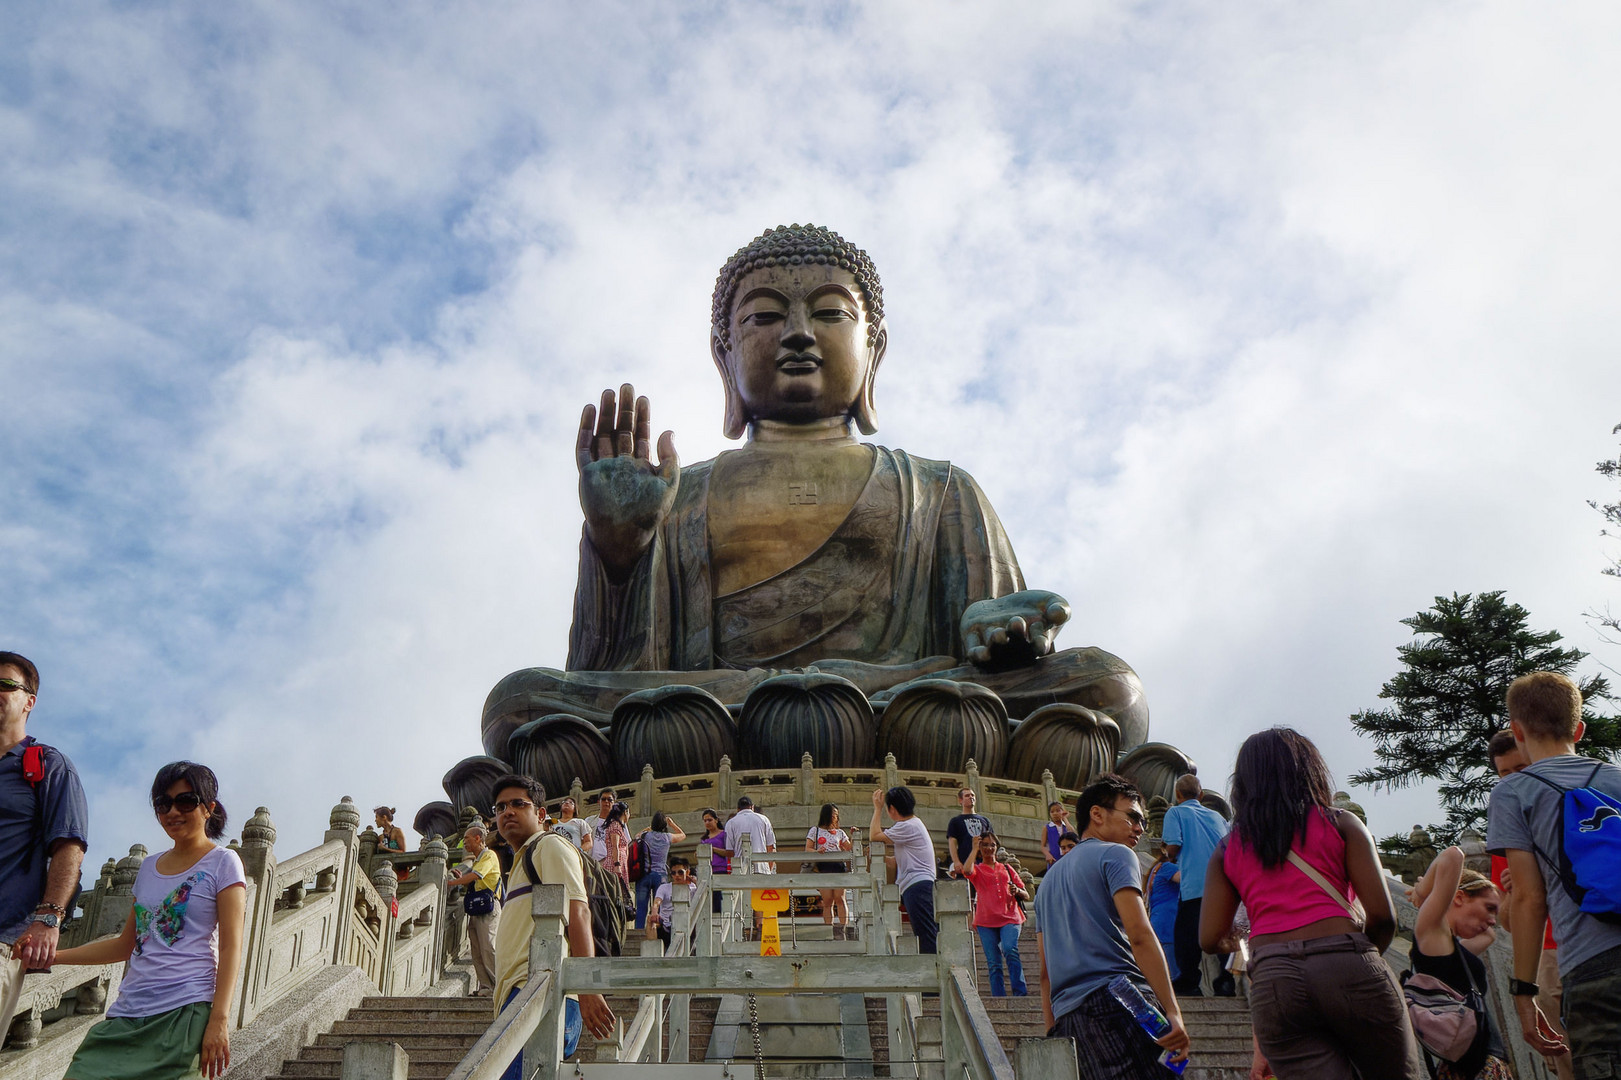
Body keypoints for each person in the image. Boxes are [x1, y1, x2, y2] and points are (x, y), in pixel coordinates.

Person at [1199, 727, 1425, 1080]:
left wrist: (1251, 938)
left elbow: (1210, 938)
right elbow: (1382, 916)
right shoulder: (1342, 823)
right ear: (1310, 770)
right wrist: (1356, 959)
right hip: (1348, 962)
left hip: (1275, 982)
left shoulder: (1227, 848)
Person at [57, 762, 245, 1080]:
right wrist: (53, 956)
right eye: (163, 804)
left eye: (185, 801)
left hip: (185, 1015)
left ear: (209, 807)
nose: (173, 811)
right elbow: (125, 945)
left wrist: (219, 1019)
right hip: (126, 1015)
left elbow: (231, 948)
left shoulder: (223, 862)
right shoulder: (148, 867)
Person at [1486, 671, 1621, 1077]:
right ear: (1578, 728)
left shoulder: (1512, 793)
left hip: (1592, 965)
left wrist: (1524, 993)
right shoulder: (1616, 778)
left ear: (1517, 731)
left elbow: (1529, 898)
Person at [1034, 773, 1188, 1077]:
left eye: (1143, 822)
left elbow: (1044, 972)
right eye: (1132, 817)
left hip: (1069, 1018)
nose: (1140, 828)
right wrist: (1173, 1011)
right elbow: (1140, 935)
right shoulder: (1117, 855)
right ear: (1097, 814)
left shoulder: (1047, 883)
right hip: (1123, 1000)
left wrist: (1054, 1030)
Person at [489, 774, 614, 1073]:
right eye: (500, 807)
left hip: (541, 992)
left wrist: (586, 986)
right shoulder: (521, 860)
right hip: (520, 993)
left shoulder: (550, 846)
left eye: (518, 804)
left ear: (542, 814)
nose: (507, 812)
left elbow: (578, 910)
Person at [1, 651, 89, 1047]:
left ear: (28, 701)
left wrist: (48, 919)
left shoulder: (47, 766)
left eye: (5, 685)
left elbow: (68, 846)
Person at [1486, 727, 1572, 1080]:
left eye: (1520, 769)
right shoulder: (1509, 833)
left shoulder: (1569, 805)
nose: (1513, 781)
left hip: (1592, 945)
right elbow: (1508, 919)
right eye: (1504, 774)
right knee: (1570, 1058)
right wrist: (1510, 892)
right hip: (1548, 956)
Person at [1409, 846, 1511, 1078]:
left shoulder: (1453, 948)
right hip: (1475, 1066)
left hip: (1478, 1061)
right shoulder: (1433, 934)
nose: (1493, 920)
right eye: (1489, 908)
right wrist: (1423, 891)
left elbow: (1489, 936)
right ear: (1459, 897)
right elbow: (1453, 855)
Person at [1161, 773, 1230, 996]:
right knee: (1223, 936)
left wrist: (1168, 856)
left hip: (1195, 885)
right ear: (1201, 795)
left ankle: (1189, 981)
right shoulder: (1218, 817)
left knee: (1186, 936)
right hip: (1224, 885)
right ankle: (1226, 981)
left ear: (1177, 795)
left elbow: (1173, 845)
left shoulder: (1175, 812)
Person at [869, 786, 938, 954]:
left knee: (926, 936)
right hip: (916, 885)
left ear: (892, 809)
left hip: (918, 886)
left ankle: (932, 972)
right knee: (924, 933)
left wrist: (877, 809)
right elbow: (895, 862)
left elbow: (874, 836)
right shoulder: (913, 825)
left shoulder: (907, 826)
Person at [963, 831, 1028, 996]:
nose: (989, 848)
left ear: (997, 847)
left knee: (1009, 949)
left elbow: (1025, 894)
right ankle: (999, 997)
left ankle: (1020, 993)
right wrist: (973, 849)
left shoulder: (1006, 868)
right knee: (994, 963)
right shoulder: (978, 869)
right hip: (986, 921)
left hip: (1010, 916)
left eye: (992, 844)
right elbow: (967, 871)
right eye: (984, 844)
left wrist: (1017, 890)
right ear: (979, 847)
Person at [447, 824, 501, 996]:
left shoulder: (489, 855)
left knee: (488, 946)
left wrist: (452, 883)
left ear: (478, 838)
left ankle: (499, 986)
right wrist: (460, 876)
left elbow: (477, 876)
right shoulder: (477, 860)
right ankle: (486, 987)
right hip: (477, 907)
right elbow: (472, 877)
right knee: (477, 949)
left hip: (488, 907)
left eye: (467, 840)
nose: (464, 844)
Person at [805, 804, 853, 935]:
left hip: (838, 866)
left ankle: (843, 928)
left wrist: (854, 836)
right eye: (833, 815)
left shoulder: (840, 833)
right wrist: (817, 851)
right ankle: (828, 929)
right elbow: (807, 849)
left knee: (840, 898)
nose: (835, 818)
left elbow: (849, 848)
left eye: (836, 815)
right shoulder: (815, 831)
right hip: (823, 866)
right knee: (827, 900)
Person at [634, 811, 686, 930]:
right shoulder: (667, 837)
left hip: (645, 875)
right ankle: (658, 930)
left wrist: (647, 829)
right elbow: (682, 835)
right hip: (660, 875)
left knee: (641, 907)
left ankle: (639, 931)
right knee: (660, 906)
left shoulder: (646, 836)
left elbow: (636, 837)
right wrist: (672, 824)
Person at [1143, 844, 1181, 983]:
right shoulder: (1168, 867)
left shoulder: (1156, 868)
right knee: (1174, 970)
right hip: (1167, 919)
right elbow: (1186, 880)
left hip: (1159, 919)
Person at [646, 857, 699, 952]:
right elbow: (656, 903)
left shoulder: (693, 888)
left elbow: (704, 892)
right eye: (673, 873)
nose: (677, 876)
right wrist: (654, 913)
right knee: (650, 920)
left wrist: (694, 881)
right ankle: (652, 951)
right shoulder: (664, 887)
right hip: (666, 925)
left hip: (686, 925)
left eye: (680, 872)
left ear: (687, 872)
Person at [946, 787, 992, 880]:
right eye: (967, 795)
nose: (971, 797)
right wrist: (956, 861)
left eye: (972, 795)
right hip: (965, 862)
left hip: (983, 863)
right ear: (960, 800)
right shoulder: (956, 821)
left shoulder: (985, 820)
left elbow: (992, 841)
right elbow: (952, 842)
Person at [700, 808, 731, 915]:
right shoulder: (704, 838)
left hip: (721, 869)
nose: (707, 823)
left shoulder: (723, 834)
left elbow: (728, 852)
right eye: (705, 821)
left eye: (709, 820)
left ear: (716, 820)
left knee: (720, 898)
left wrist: (712, 849)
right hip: (708, 871)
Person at [601, 801, 631, 886]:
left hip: (620, 862)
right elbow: (615, 846)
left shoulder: (618, 826)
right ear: (625, 812)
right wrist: (617, 864)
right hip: (614, 862)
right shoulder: (615, 826)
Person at [1044, 801, 1071, 868]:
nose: (1055, 813)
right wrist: (1047, 854)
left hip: (1066, 857)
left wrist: (1065, 819)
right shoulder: (1047, 827)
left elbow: (1073, 833)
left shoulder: (1066, 826)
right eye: (1052, 812)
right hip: (1054, 858)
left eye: (1058, 811)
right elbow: (1043, 846)